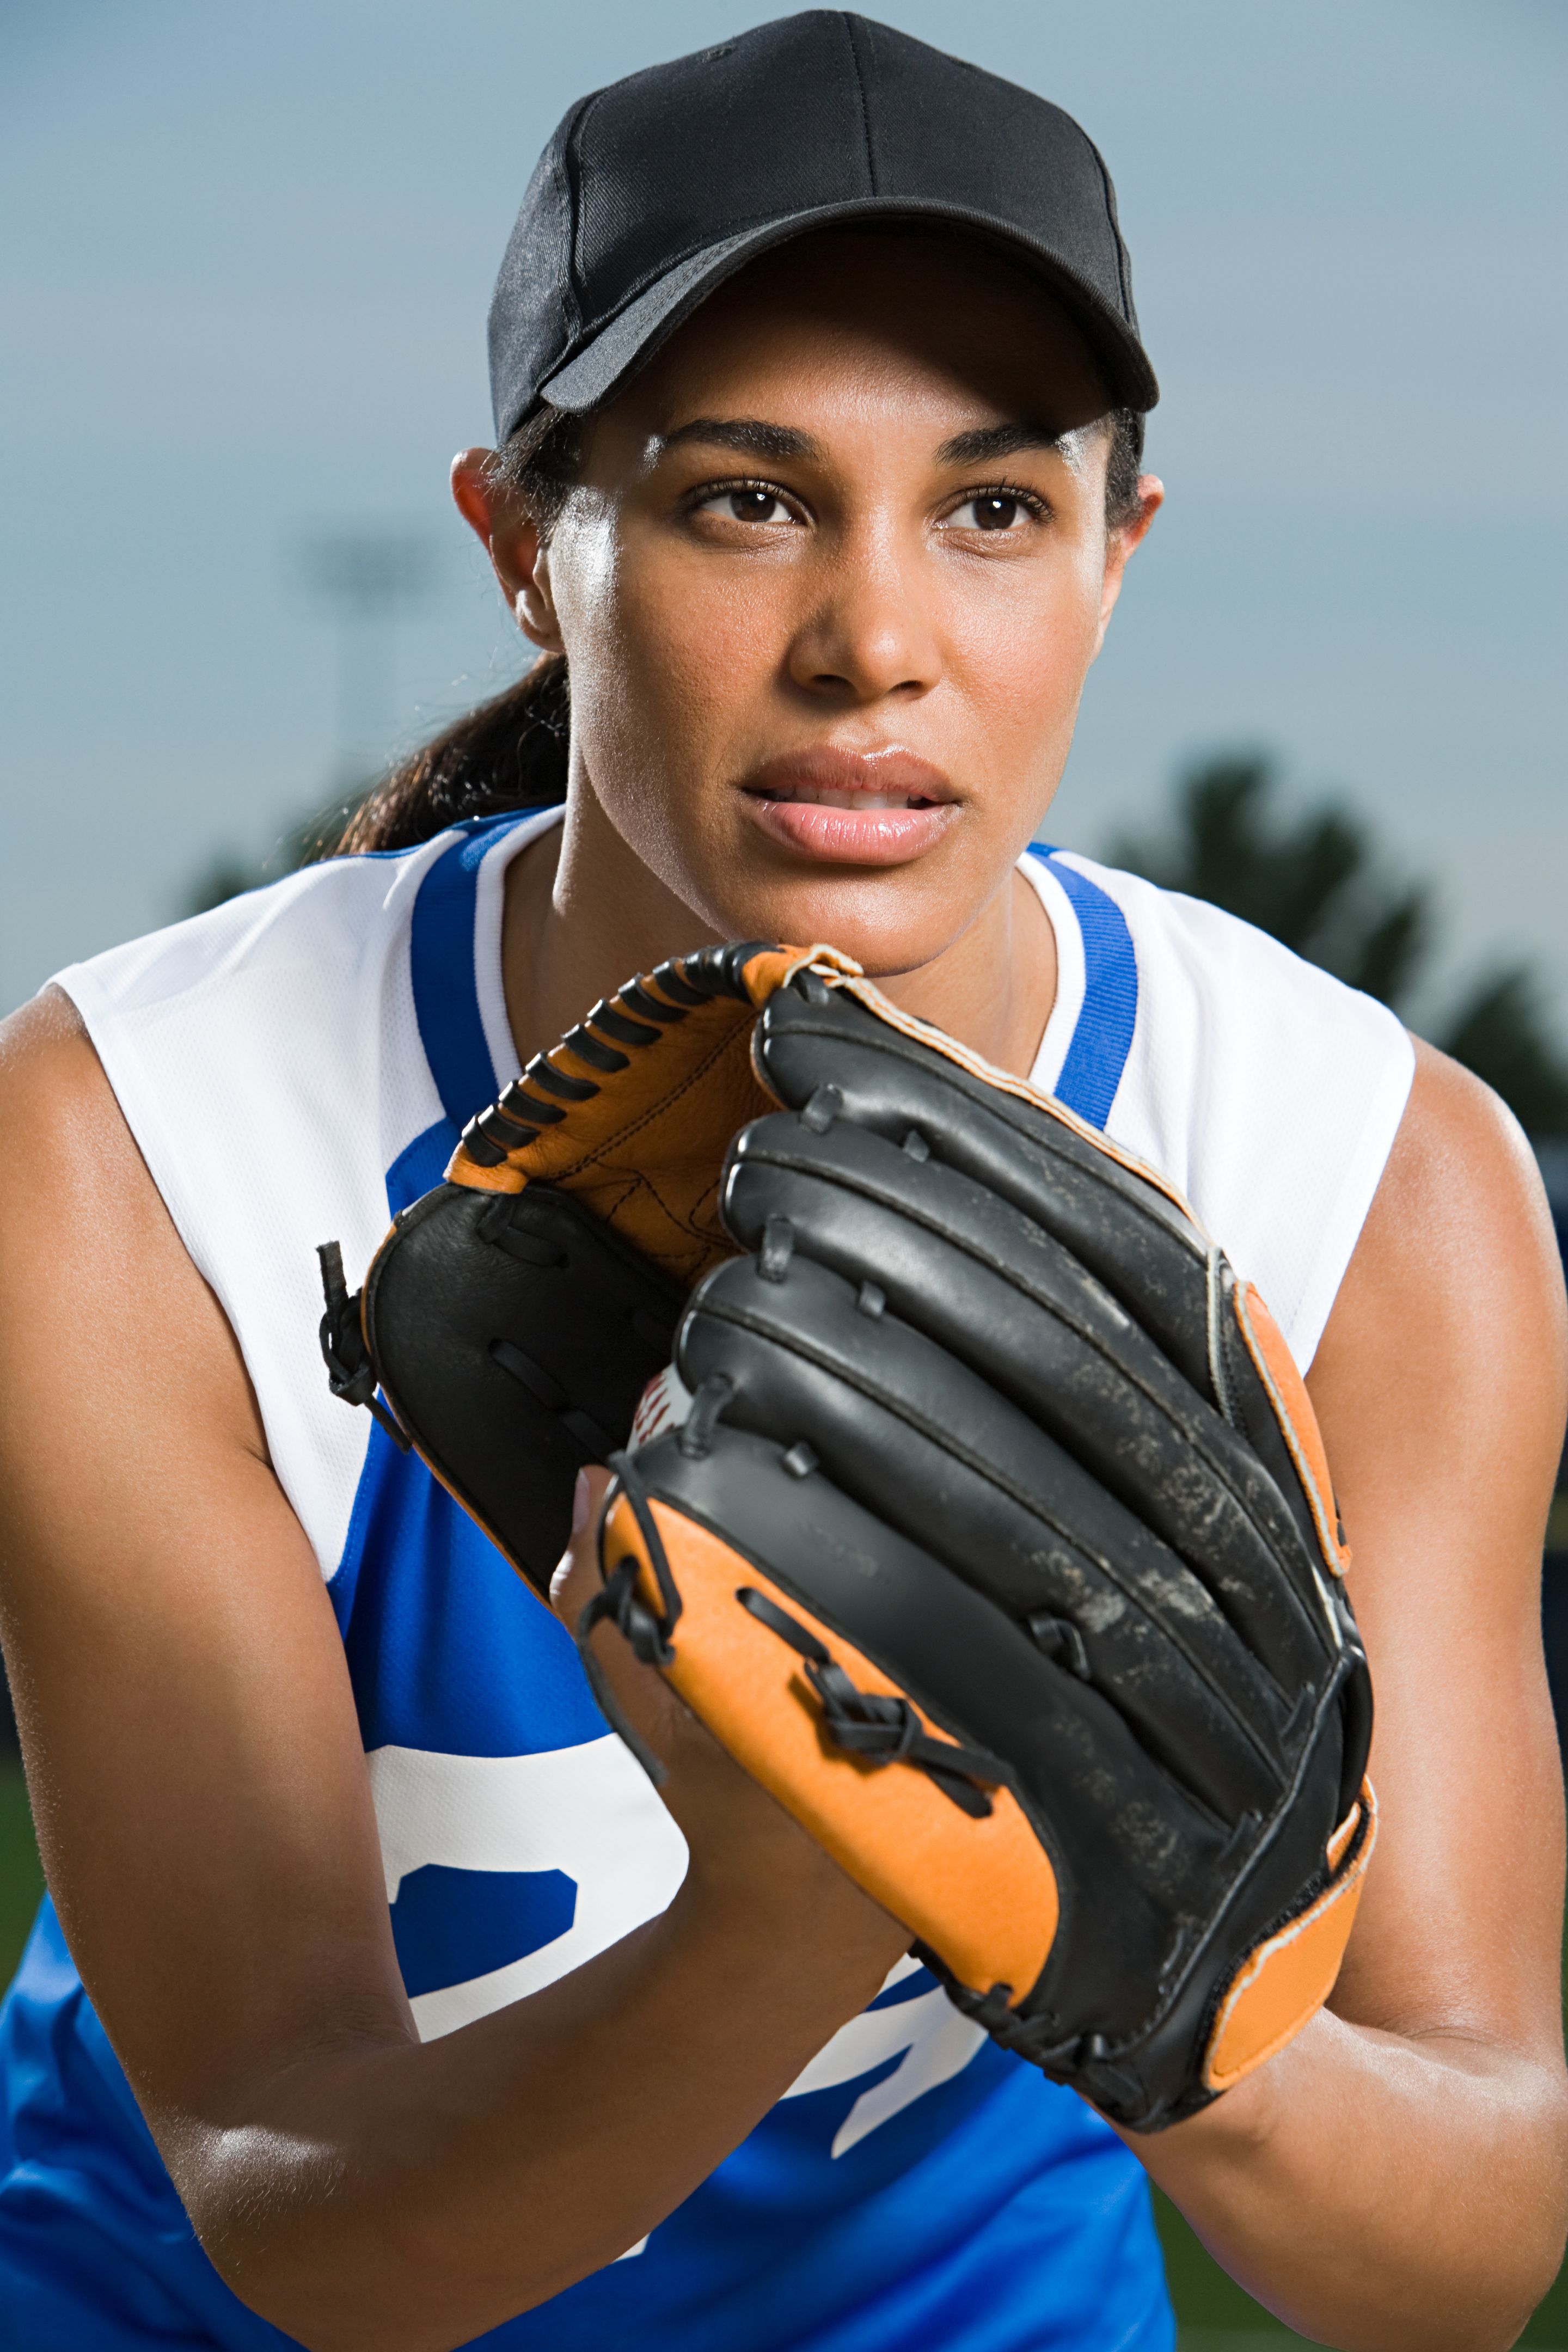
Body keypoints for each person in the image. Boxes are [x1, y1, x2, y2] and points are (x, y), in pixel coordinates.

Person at [0, 15, 1563, 2350]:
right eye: (745, 496)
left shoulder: (1367, 1180)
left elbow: (1469, 2244)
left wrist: (1147, 1983)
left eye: (994, 508)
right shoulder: (135, 1140)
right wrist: (794, 1907)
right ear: (529, 547)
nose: (879, 644)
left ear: (1119, 558)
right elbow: (290, 2205)